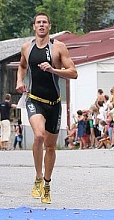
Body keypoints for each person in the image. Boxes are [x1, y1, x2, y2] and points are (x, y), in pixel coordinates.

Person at [16, 12, 77, 204]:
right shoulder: (27, 47)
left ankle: (47, 184)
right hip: (34, 99)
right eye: (38, 22)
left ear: (49, 26)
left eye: (44, 22)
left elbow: (73, 73)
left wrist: (53, 69)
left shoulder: (58, 47)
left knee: (50, 147)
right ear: (34, 26)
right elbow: (22, 66)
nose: (41, 25)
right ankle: (38, 177)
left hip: (54, 103)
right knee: (39, 136)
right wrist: (19, 80)